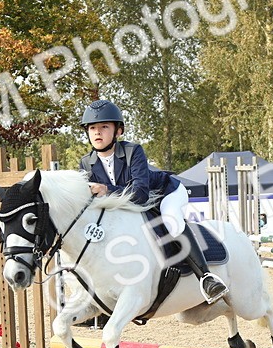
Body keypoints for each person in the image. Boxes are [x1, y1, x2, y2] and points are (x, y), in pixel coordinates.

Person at [78, 98, 227, 303]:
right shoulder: (86, 163)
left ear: (118, 131)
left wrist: (105, 189)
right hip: (130, 204)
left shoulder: (133, 151)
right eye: (92, 128)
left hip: (165, 193)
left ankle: (207, 278)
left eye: (104, 126)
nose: (97, 132)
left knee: (172, 222)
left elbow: (140, 195)